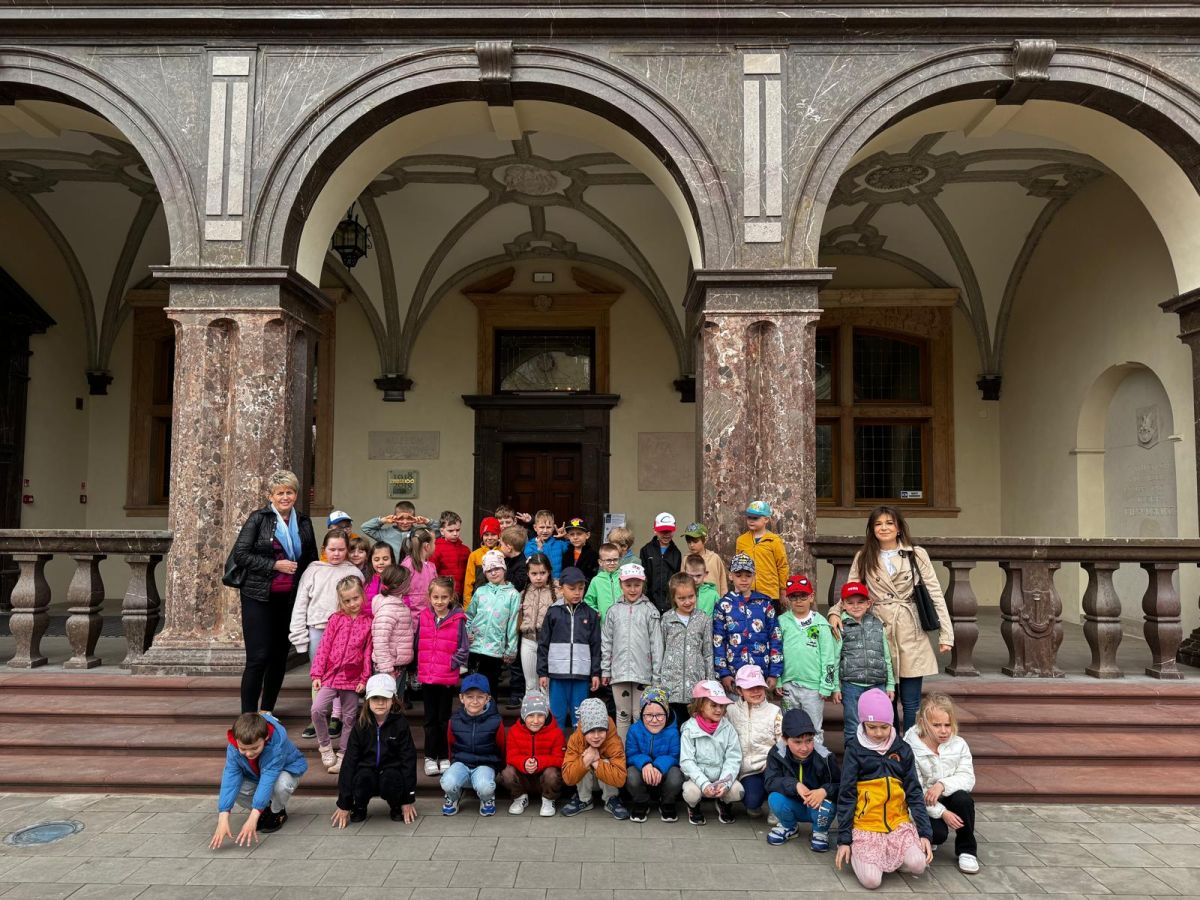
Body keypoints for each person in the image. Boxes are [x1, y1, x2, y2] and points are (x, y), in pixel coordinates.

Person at [828, 506, 953, 732]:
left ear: (899, 527)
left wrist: (946, 634)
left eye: (889, 523)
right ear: (871, 529)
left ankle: (910, 744)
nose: (884, 528)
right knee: (885, 697)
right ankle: (889, 743)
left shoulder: (916, 554)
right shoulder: (864, 556)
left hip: (910, 626)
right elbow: (851, 590)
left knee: (911, 699)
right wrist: (835, 611)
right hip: (877, 629)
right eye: (878, 524)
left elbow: (935, 592)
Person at [231, 470, 318, 715]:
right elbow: (241, 554)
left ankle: (267, 711)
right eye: (280, 493)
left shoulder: (303, 522)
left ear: (296, 495)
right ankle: (248, 716)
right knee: (258, 657)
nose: (285, 497)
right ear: (271, 496)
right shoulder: (258, 519)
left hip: (290, 598)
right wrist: (274, 565)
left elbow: (311, 557)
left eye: (289, 492)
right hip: (258, 596)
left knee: (279, 657)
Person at [836, 689, 933, 890]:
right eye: (872, 727)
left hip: (897, 824)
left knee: (919, 865)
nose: (879, 733)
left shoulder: (902, 749)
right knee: (872, 881)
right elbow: (846, 795)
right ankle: (860, 853)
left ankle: (890, 856)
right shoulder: (854, 750)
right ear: (863, 723)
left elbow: (914, 792)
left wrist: (925, 833)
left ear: (892, 724)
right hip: (866, 826)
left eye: (884, 727)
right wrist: (844, 840)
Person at [288, 528, 363, 740]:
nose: (336, 553)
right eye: (332, 549)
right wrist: (298, 636)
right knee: (318, 674)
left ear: (347, 550)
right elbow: (301, 603)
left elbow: (358, 605)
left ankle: (336, 716)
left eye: (341, 549)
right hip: (318, 628)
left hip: (345, 631)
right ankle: (318, 715)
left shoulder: (354, 573)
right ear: (324, 549)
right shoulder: (313, 571)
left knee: (341, 673)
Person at [904, 693, 979, 874]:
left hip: (948, 794)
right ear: (922, 723)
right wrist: (942, 813)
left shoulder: (959, 744)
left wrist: (942, 785)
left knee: (963, 800)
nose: (944, 731)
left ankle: (967, 850)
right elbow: (914, 790)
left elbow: (967, 777)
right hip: (922, 801)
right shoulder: (910, 747)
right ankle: (926, 836)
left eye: (947, 724)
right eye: (937, 725)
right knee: (938, 834)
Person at [330, 674, 418, 825]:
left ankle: (396, 805)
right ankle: (360, 806)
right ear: (368, 700)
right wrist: (344, 802)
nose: (380, 703)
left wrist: (407, 799)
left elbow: (408, 761)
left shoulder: (400, 724)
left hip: (390, 772)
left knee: (391, 777)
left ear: (393, 700)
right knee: (363, 777)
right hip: (367, 773)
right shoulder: (360, 726)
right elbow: (349, 763)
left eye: (385, 698)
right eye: (375, 698)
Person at [210, 712, 306, 848]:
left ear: (265, 737)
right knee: (237, 788)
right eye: (243, 748)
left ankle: (277, 812)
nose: (249, 753)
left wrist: (253, 818)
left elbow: (268, 780)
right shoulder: (233, 747)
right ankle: (264, 810)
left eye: (255, 748)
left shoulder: (276, 746)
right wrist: (223, 816)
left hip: (286, 770)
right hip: (256, 774)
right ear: (236, 740)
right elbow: (230, 779)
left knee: (281, 785)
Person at [310, 576, 373, 773]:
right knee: (317, 710)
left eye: (355, 598)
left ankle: (343, 754)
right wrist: (317, 674)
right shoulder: (336, 619)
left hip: (352, 678)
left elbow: (367, 653)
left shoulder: (369, 622)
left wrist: (364, 678)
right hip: (330, 675)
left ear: (362, 596)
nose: (352, 604)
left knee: (349, 718)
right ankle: (325, 746)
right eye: (347, 601)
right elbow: (324, 646)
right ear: (340, 601)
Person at [601, 562, 663, 739]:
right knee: (622, 714)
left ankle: (638, 751)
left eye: (637, 585)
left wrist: (656, 676)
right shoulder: (613, 611)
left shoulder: (650, 611)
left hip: (643, 673)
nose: (633, 589)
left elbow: (657, 645)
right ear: (621, 584)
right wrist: (605, 670)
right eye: (628, 585)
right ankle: (622, 753)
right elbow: (607, 642)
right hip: (619, 673)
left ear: (643, 584)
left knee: (640, 714)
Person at [415, 576, 468, 776]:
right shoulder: (423, 617)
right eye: (435, 597)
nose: (439, 601)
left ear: (451, 597)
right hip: (428, 677)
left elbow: (463, 648)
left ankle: (444, 755)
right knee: (430, 719)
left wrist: (451, 664)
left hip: (446, 677)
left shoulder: (458, 619)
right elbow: (418, 642)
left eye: (444, 597)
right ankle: (430, 756)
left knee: (444, 719)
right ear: (429, 597)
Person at [764, 709, 839, 851]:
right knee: (774, 798)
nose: (804, 748)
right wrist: (795, 785)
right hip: (793, 804)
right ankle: (789, 827)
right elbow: (770, 782)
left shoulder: (825, 756)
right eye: (797, 742)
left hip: (817, 807)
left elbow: (840, 785)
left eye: (809, 740)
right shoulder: (776, 753)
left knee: (829, 804)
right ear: (785, 739)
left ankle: (820, 831)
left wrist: (824, 791)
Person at [777, 573, 838, 745]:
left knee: (814, 728)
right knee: (789, 725)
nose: (799, 601)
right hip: (789, 684)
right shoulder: (781, 622)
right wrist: (779, 680)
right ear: (788, 598)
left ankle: (817, 759)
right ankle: (791, 758)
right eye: (794, 597)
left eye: (803, 596)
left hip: (813, 688)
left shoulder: (821, 624)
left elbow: (829, 657)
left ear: (811, 597)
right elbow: (776, 653)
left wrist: (826, 685)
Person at [537, 566, 601, 732]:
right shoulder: (553, 612)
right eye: (572, 589)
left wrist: (595, 673)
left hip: (581, 674)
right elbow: (543, 644)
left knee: (579, 716)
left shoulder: (590, 614)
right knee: (557, 714)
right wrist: (542, 672)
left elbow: (596, 646)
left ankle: (577, 744)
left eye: (581, 588)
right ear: (561, 588)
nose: (577, 593)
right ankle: (558, 745)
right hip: (557, 674)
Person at [835, 581, 896, 747]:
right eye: (850, 603)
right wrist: (835, 687)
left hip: (877, 684)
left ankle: (877, 755)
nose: (856, 606)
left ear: (868, 603)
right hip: (851, 685)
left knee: (879, 722)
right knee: (852, 725)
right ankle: (853, 758)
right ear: (843, 605)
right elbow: (835, 657)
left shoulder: (877, 623)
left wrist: (890, 684)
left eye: (860, 602)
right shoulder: (840, 625)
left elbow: (886, 655)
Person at [713, 554, 783, 695]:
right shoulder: (723, 605)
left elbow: (775, 637)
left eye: (748, 575)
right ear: (730, 576)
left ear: (754, 576)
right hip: (734, 675)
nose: (744, 579)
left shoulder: (765, 603)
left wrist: (774, 673)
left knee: (760, 708)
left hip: (760, 675)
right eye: (738, 575)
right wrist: (723, 673)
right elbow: (718, 640)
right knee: (736, 708)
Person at [441, 673, 505, 816]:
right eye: (470, 697)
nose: (475, 701)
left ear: (488, 698)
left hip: (485, 764)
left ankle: (487, 799)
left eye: (480, 697)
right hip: (461, 763)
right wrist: (453, 764)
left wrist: (499, 768)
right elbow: (451, 745)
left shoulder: (495, 721)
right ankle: (453, 797)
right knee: (447, 781)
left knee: (485, 786)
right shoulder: (454, 721)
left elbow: (501, 746)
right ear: (461, 698)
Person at [679, 680, 743, 825]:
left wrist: (725, 783)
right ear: (700, 705)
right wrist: (704, 784)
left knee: (737, 791)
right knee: (691, 793)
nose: (719, 710)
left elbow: (733, 758)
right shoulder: (689, 729)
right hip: (697, 779)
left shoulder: (728, 728)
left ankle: (723, 803)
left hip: (720, 777)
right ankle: (693, 807)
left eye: (722, 705)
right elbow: (687, 761)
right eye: (713, 705)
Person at [726, 664, 783, 817]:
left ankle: (777, 807)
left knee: (776, 782)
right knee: (752, 802)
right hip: (747, 769)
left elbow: (782, 742)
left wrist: (774, 762)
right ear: (739, 691)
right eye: (750, 688)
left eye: (759, 687)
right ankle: (757, 798)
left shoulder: (774, 711)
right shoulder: (731, 710)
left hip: (769, 766)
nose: (756, 691)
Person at [659, 571, 714, 726]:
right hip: (671, 688)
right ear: (674, 598)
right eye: (681, 598)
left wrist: (710, 683)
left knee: (694, 727)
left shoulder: (703, 619)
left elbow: (708, 653)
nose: (687, 602)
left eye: (691, 596)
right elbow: (660, 650)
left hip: (696, 688)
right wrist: (658, 681)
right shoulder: (667, 619)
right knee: (673, 727)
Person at [498, 689, 565, 817]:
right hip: (523, 778)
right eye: (531, 716)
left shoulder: (556, 733)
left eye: (540, 715)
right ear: (524, 716)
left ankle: (549, 799)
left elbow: (560, 759)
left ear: (546, 715)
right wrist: (524, 762)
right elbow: (511, 756)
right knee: (507, 772)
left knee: (553, 773)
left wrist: (539, 762)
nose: (535, 720)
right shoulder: (514, 731)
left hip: (544, 778)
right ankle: (519, 797)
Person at [561, 697, 629, 819]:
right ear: (584, 730)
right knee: (582, 759)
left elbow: (620, 779)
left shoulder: (614, 741)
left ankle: (611, 798)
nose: (596, 736)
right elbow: (568, 778)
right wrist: (587, 759)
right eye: (591, 731)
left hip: (607, 782)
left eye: (601, 730)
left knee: (606, 761)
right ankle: (584, 799)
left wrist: (597, 762)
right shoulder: (575, 739)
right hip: (587, 781)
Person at [623, 686, 683, 823]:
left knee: (676, 775)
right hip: (643, 773)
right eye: (649, 715)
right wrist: (645, 763)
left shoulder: (673, 732)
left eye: (660, 715)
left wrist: (658, 766)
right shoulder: (634, 730)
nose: (654, 720)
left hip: (664, 774)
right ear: (642, 714)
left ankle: (667, 803)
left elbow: (675, 756)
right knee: (630, 774)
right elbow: (630, 754)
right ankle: (641, 802)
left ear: (667, 713)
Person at [466, 549, 521, 698]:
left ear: (504, 569)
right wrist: (467, 633)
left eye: (497, 568)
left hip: (495, 649)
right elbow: (469, 615)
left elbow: (513, 623)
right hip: (475, 646)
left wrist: (511, 649)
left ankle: (491, 710)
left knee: (490, 685)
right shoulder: (480, 591)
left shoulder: (513, 595)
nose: (493, 572)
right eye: (489, 570)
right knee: (473, 685)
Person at [735, 500, 790, 609]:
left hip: (769, 592)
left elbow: (782, 566)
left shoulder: (774, 540)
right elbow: (737, 566)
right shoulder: (741, 540)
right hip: (747, 592)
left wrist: (783, 591)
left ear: (766, 519)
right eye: (749, 517)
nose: (751, 521)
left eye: (755, 518)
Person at [519, 553, 556, 702]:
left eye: (542, 573)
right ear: (528, 574)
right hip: (528, 641)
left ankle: (547, 715)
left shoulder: (558, 592)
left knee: (546, 685)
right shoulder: (523, 593)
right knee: (530, 684)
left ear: (549, 572)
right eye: (534, 574)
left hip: (549, 643)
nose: (538, 577)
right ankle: (530, 714)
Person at [371, 564, 415, 683]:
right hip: (388, 667)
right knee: (388, 695)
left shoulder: (398, 605)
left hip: (398, 664)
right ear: (401, 585)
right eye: (408, 582)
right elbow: (380, 642)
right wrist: (387, 670)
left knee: (397, 695)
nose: (411, 584)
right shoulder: (388, 610)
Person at [638, 512, 682, 613]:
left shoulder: (676, 553)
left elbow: (677, 579)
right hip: (649, 604)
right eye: (663, 531)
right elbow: (643, 578)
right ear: (655, 530)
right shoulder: (646, 550)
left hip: (670, 604)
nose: (666, 534)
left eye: (669, 531)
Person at [362, 500, 430, 559]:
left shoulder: (419, 533)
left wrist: (427, 522)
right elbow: (365, 527)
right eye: (401, 518)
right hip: (393, 569)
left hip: (414, 569)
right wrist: (383, 520)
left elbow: (436, 533)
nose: (405, 522)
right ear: (395, 517)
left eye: (409, 518)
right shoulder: (386, 534)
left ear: (414, 518)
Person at [430, 510, 471, 597]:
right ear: (442, 531)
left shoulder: (465, 550)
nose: (455, 534)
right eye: (451, 531)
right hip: (442, 594)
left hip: (461, 594)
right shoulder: (435, 549)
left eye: (458, 530)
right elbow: (431, 574)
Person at [463, 516, 501, 608]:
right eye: (486, 535)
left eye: (493, 534)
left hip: (500, 601)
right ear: (482, 536)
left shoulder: (503, 553)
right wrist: (467, 606)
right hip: (479, 603)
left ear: (499, 535)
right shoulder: (474, 555)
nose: (489, 538)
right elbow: (468, 584)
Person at [682, 522, 728, 592]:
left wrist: (724, 597)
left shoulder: (714, 558)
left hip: (714, 598)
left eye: (695, 541)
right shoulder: (686, 559)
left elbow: (723, 583)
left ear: (705, 540)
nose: (691, 545)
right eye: (689, 542)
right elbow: (682, 583)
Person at [401, 527, 437, 614]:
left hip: (429, 615)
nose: (435, 545)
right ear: (427, 546)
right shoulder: (408, 564)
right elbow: (400, 590)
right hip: (410, 616)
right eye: (434, 543)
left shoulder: (432, 566)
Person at [584, 542, 623, 620]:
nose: (612, 563)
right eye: (608, 560)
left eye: (615, 559)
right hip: (603, 622)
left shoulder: (624, 577)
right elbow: (588, 601)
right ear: (600, 562)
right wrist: (596, 613)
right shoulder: (596, 581)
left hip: (623, 621)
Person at [526, 509, 569, 579]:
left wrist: (566, 536)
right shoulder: (530, 545)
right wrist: (539, 549)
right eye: (542, 527)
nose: (545, 531)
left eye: (548, 527)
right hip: (539, 582)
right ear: (535, 528)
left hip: (557, 582)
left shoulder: (559, 543)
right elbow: (532, 564)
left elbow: (574, 546)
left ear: (553, 528)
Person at [363, 542, 397, 612]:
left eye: (385, 559)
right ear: (371, 561)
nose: (381, 562)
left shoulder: (396, 580)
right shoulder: (367, 580)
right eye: (376, 560)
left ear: (392, 559)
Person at [499, 524, 530, 592]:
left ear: (509, 548)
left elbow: (517, 586)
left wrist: (503, 567)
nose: (500, 548)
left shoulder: (523, 566)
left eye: (501, 545)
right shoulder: (505, 558)